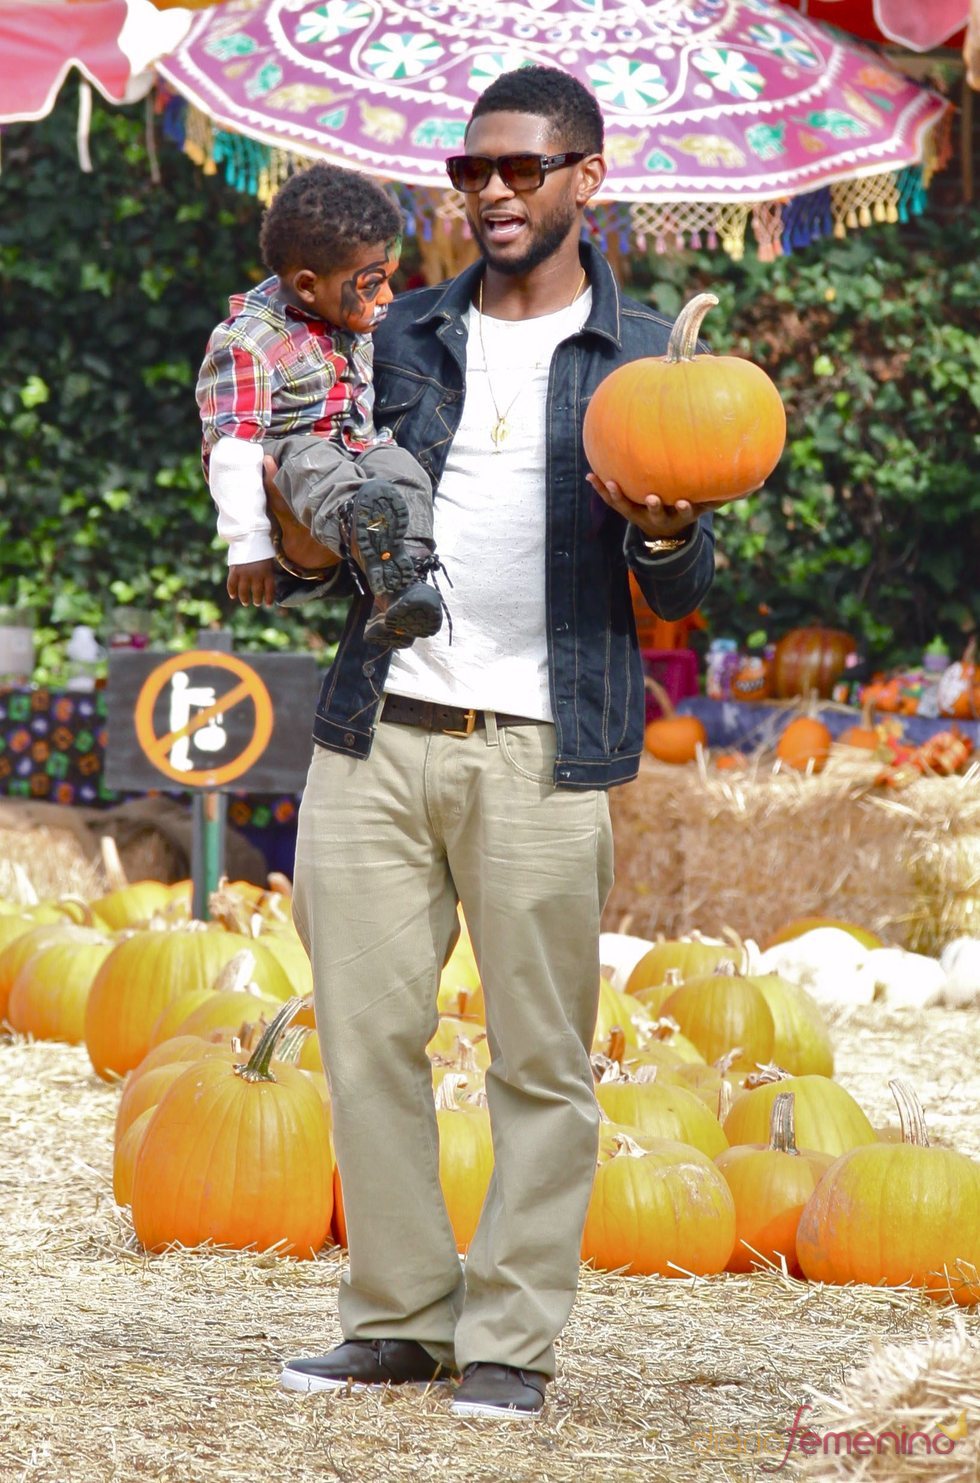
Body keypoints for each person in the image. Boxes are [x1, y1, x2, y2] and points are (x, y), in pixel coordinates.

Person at [273, 64, 735, 1420]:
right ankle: (401, 1316)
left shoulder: (651, 362)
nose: (490, 191)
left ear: (587, 177)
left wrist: (659, 522)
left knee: (543, 1058)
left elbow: (684, 591)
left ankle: (511, 1340)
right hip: (377, 730)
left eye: (520, 168)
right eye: (472, 170)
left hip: (543, 745)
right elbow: (311, 553)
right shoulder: (389, 335)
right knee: (365, 1034)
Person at [196, 162, 444, 647]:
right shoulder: (248, 343)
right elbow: (233, 452)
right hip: (292, 461)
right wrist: (247, 544)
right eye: (374, 284)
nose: (389, 297)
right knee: (318, 464)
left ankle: (403, 585)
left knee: (402, 467)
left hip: (356, 449)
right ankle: (366, 533)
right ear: (309, 285)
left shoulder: (343, 315)